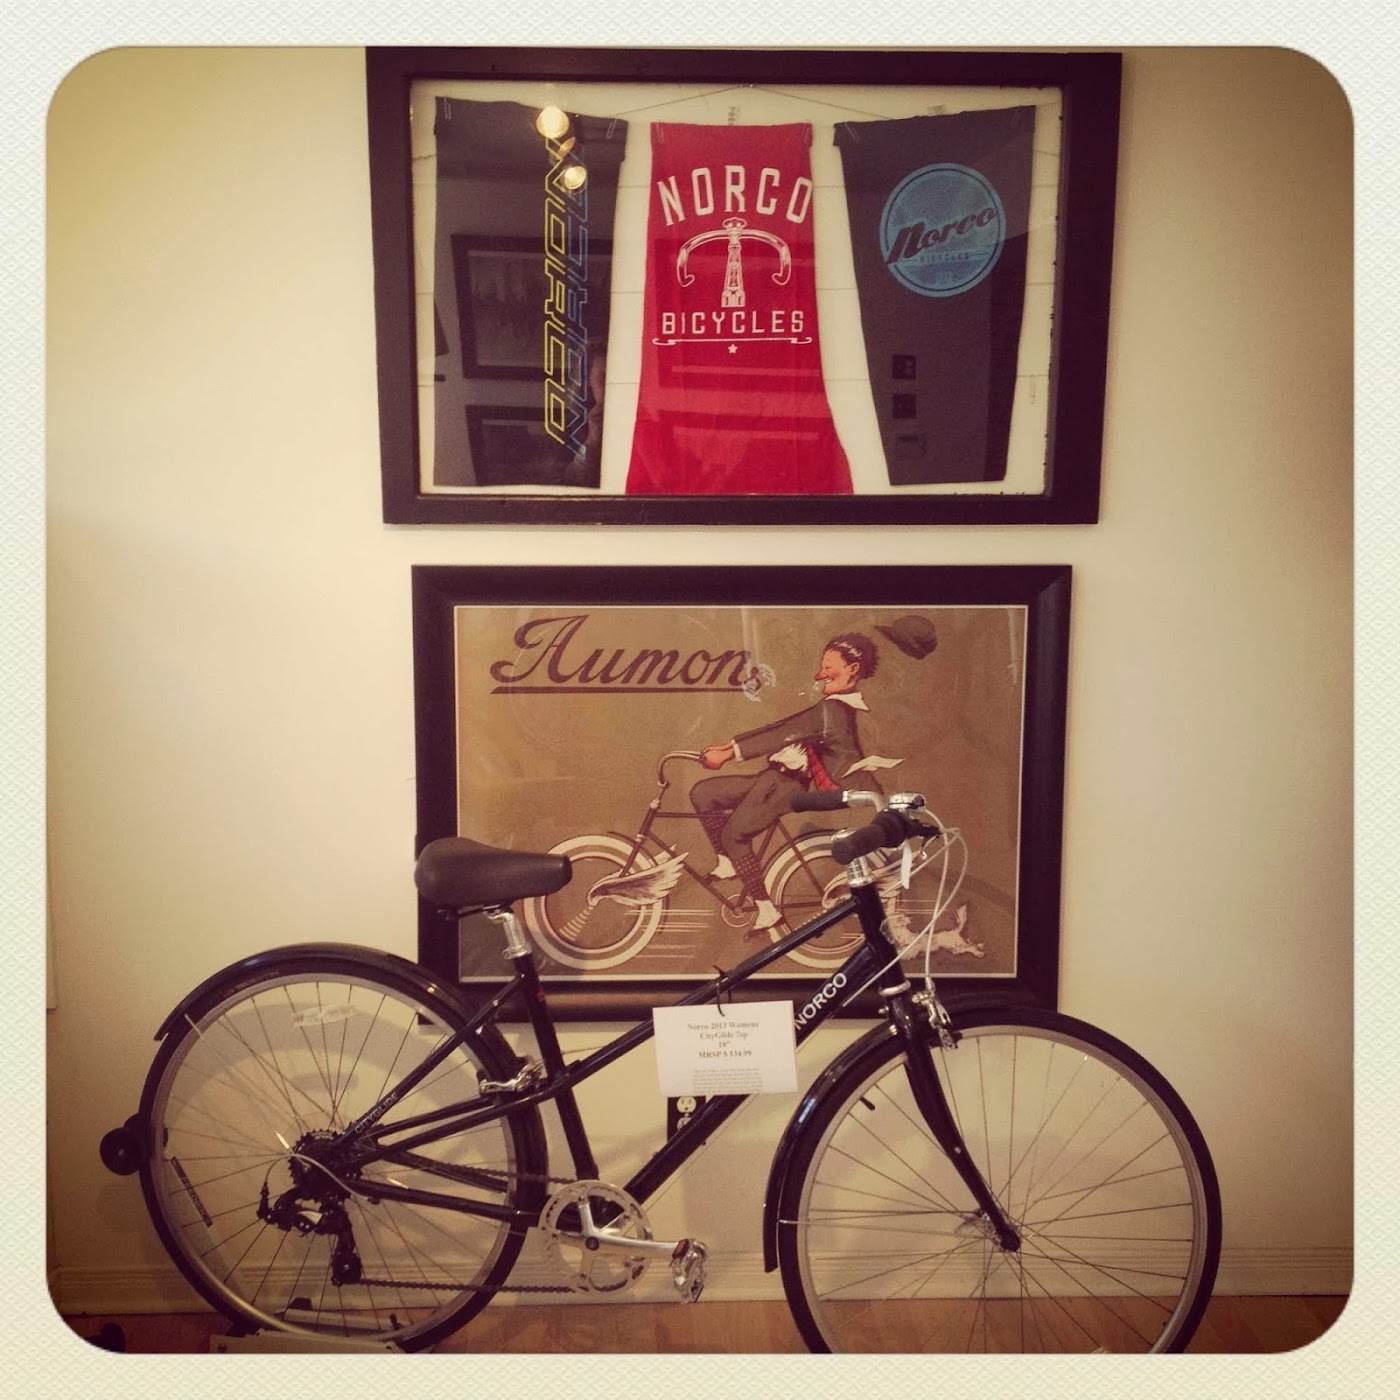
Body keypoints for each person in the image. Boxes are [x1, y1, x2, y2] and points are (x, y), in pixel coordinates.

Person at [691, 633, 880, 932]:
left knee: (733, 835)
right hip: (771, 778)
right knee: (703, 793)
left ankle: (766, 910)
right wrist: (726, 749)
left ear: (853, 669)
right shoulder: (829, 707)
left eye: (828, 667)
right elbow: (781, 728)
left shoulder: (833, 711)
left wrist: (727, 754)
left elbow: (782, 733)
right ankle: (727, 863)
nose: (820, 674)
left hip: (786, 786)